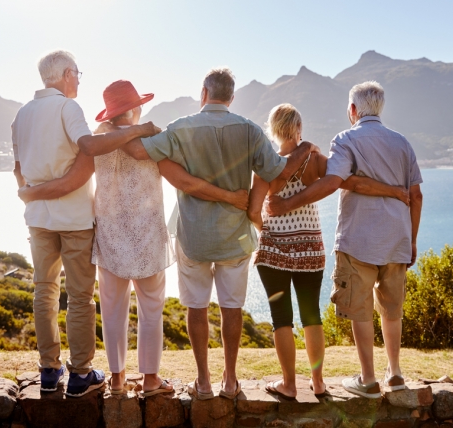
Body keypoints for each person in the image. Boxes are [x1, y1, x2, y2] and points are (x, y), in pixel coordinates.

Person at [18, 80, 248, 397]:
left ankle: (116, 379)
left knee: (112, 311)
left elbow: (77, 178)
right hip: (149, 239)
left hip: (110, 238)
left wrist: (31, 191)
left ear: (111, 112)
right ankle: (151, 380)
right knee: (151, 311)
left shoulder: (97, 140)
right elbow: (181, 177)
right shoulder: (153, 139)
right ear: (137, 107)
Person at [117, 67, 320, 400]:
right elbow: (279, 171)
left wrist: (120, 127)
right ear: (231, 97)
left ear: (203, 93)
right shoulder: (251, 130)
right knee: (232, 308)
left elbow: (139, 152)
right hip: (236, 236)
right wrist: (306, 147)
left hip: (193, 236)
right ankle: (229, 380)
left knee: (196, 308)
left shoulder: (180, 128)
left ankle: (204, 382)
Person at [11, 51, 161, 397]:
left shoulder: (21, 115)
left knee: (43, 290)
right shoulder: (67, 108)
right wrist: (140, 129)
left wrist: (30, 194)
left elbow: (18, 169)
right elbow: (89, 150)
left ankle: (49, 370)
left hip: (38, 220)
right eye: (77, 73)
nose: (79, 79)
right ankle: (80, 374)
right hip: (75, 218)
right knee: (79, 297)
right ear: (66, 74)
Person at [267, 82, 424, 399]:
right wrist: (412, 240)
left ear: (353, 110)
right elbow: (416, 194)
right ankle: (394, 373)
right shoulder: (402, 143)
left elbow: (334, 182)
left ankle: (367, 379)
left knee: (360, 309)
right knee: (392, 310)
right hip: (397, 240)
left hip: (358, 240)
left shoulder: (345, 139)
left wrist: (285, 205)